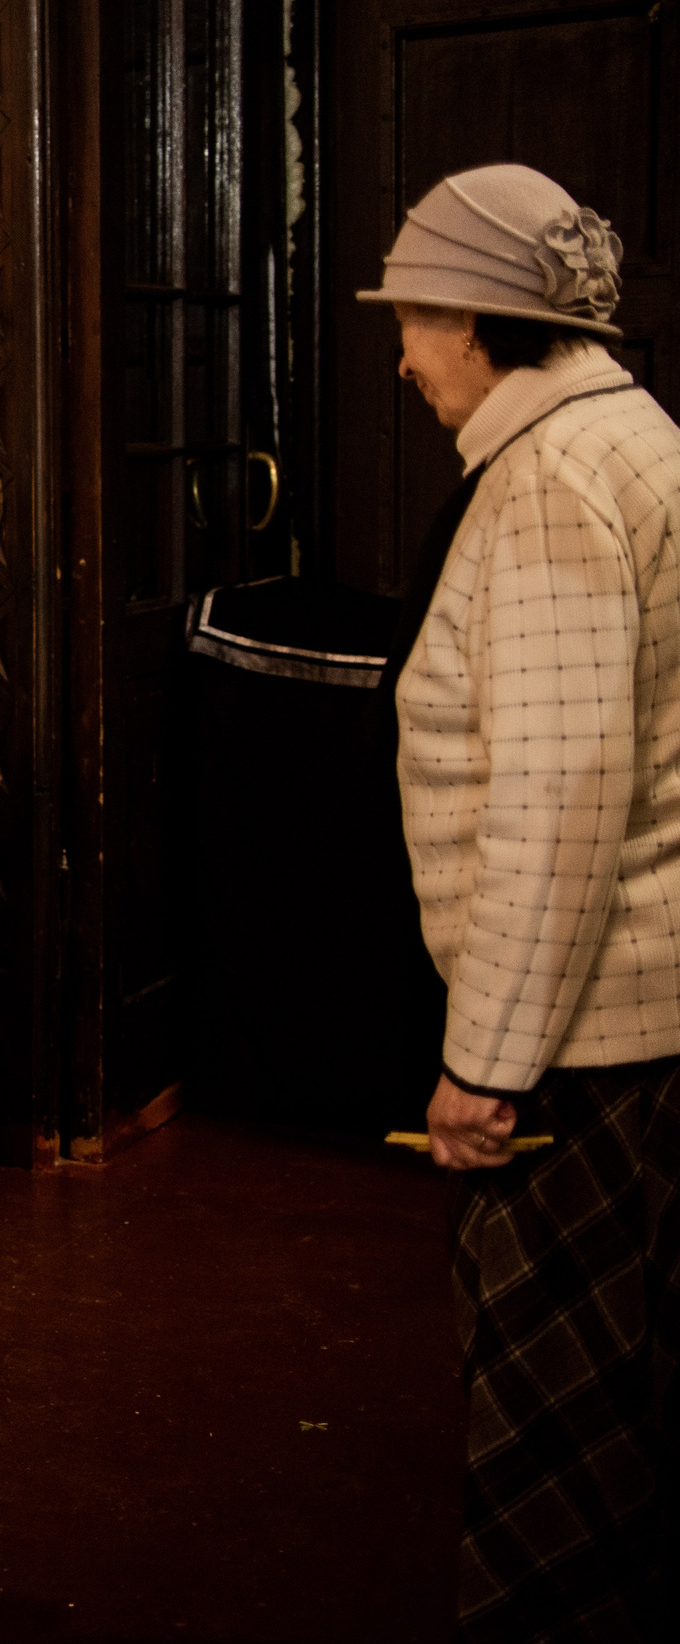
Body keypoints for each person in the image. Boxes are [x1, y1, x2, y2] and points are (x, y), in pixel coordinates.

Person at [361, 164, 680, 1642]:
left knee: (557, 1434)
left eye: (417, 319)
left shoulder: (549, 482)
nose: (407, 354)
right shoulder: (633, 440)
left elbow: (557, 805)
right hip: (636, 1026)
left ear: (485, 318)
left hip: (589, 1048)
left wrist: (484, 1071)